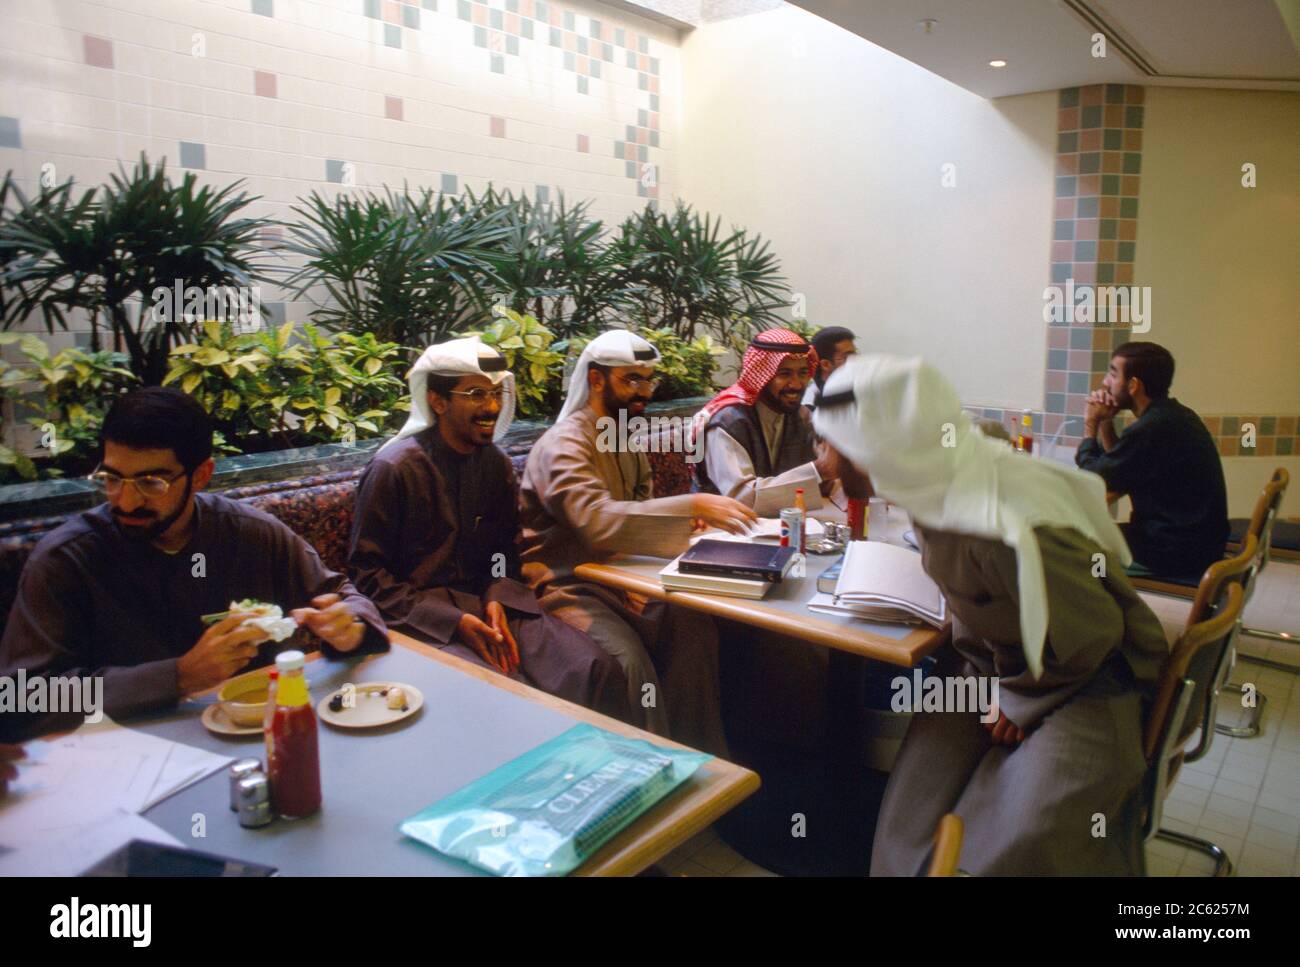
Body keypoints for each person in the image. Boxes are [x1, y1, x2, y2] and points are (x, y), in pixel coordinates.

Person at [814, 355, 1168, 876]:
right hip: (989, 667)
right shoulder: (932, 475)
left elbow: (1094, 634)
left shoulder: (1003, 520)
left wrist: (1018, 698)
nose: (821, 462)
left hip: (1089, 678)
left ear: (873, 447)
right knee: (911, 813)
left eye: (827, 444)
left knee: (1022, 837)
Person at [0, 388, 388, 741]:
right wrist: (179, 676)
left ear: (201, 475)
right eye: (113, 478)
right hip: (122, 757)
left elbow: (342, 597)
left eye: (151, 483)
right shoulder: (66, 560)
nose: (126, 501)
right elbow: (23, 697)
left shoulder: (249, 533)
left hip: (257, 736)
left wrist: (348, 627)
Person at [348, 337, 629, 719]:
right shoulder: (393, 470)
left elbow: (503, 553)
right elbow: (367, 577)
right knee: (506, 697)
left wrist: (498, 592)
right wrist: (454, 621)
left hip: (494, 605)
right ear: (437, 400)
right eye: (476, 394)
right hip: (422, 620)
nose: (492, 406)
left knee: (594, 669)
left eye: (496, 393)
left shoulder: (495, 464)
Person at [519, 329, 755, 753]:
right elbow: (595, 521)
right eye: (631, 380)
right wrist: (693, 505)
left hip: (622, 578)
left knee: (693, 629)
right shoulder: (562, 445)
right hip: (564, 586)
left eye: (648, 380)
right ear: (595, 380)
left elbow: (638, 510)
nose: (642, 391)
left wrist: (685, 527)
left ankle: (702, 765)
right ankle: (654, 780)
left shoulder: (623, 436)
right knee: (629, 663)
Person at [1076, 341, 1228, 578]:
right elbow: (1121, 467)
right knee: (1088, 536)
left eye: (1113, 373)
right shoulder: (1172, 416)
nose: (1105, 382)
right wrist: (1106, 421)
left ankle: (1101, 612)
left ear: (1134, 385)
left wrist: (1091, 424)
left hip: (1175, 552)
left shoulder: (1152, 428)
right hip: (1196, 543)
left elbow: (1094, 478)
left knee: (1071, 548)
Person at [694, 328, 839, 516]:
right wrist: (820, 470)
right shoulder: (728, 423)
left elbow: (823, 484)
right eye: (785, 374)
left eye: (803, 373)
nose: (796, 384)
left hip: (777, 525)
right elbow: (743, 500)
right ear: (762, 376)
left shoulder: (799, 416)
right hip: (718, 531)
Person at [803, 325, 857, 409]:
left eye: (855, 355)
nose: (856, 362)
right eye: (848, 357)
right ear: (825, 365)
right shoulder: (810, 408)